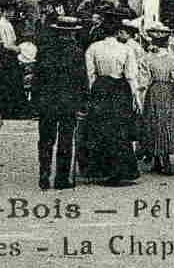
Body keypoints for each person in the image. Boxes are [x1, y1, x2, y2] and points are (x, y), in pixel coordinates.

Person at [81, 10, 141, 185]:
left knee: (100, 128)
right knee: (120, 129)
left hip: (101, 89)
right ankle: (121, 171)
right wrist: (136, 98)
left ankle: (102, 170)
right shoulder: (126, 49)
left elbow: (90, 75)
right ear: (117, 32)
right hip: (120, 89)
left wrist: (90, 96)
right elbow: (131, 76)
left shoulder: (93, 48)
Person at [32, 13, 89, 190]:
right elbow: (82, 80)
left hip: (47, 102)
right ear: (72, 33)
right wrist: (83, 102)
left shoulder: (44, 50)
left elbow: (37, 78)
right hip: (68, 103)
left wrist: (35, 101)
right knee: (66, 139)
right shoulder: (77, 52)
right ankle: (61, 178)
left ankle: (44, 173)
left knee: (45, 139)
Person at [137, 21, 174, 174]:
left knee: (153, 122)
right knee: (168, 122)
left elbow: (143, 81)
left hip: (154, 91)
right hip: (168, 91)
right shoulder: (172, 58)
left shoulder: (146, 58)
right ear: (167, 42)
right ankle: (166, 160)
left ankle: (156, 159)